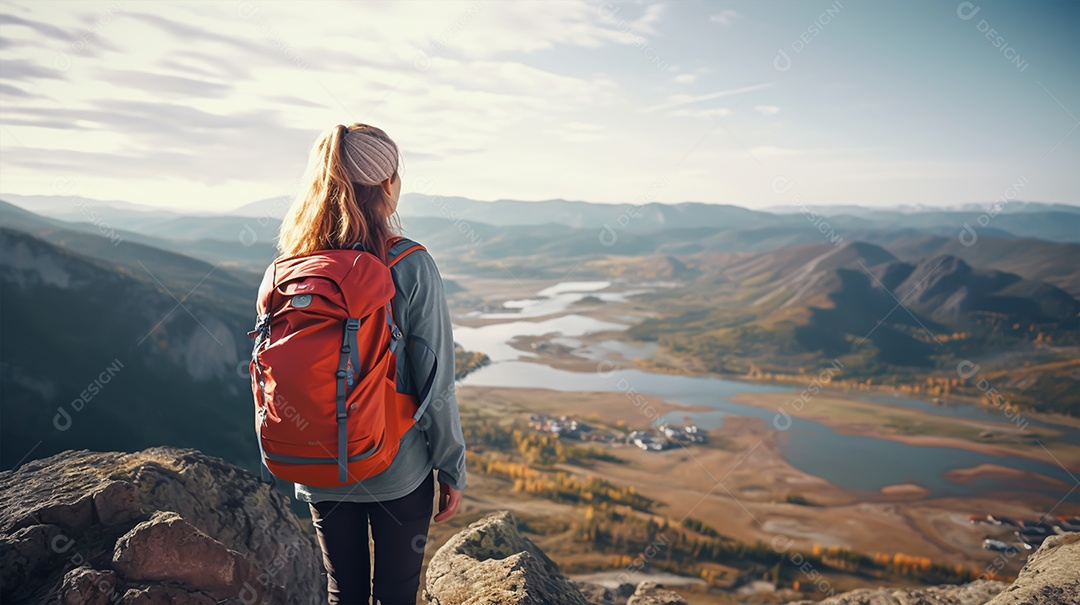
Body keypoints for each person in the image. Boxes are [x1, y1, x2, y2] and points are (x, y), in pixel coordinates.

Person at [275, 123, 467, 605]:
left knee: (345, 593)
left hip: (319, 464)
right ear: (387, 185)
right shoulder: (409, 264)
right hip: (395, 467)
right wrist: (451, 468)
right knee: (396, 596)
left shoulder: (293, 268)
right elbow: (436, 383)